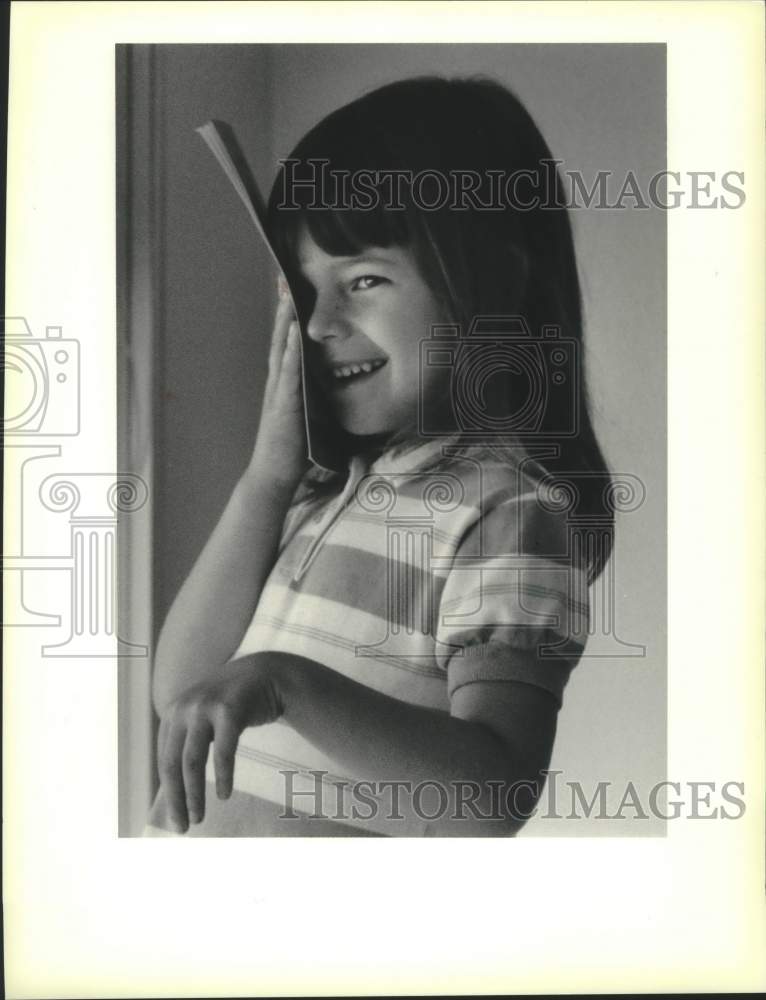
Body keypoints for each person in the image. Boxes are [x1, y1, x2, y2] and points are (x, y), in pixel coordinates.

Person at [144, 76, 613, 837]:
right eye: (303, 289)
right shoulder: (319, 491)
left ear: (494, 285)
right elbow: (182, 692)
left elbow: (491, 799)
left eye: (363, 280)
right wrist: (268, 477)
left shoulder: (508, 512)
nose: (322, 322)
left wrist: (286, 683)